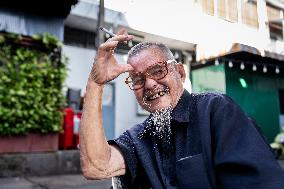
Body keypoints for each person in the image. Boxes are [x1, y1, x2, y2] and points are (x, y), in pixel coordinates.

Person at [79, 28, 284, 189]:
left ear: (180, 72)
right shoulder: (139, 138)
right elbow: (96, 166)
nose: (149, 84)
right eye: (137, 80)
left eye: (158, 70)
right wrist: (96, 83)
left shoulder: (216, 112)